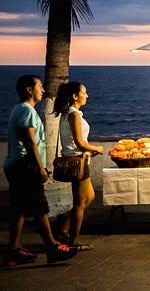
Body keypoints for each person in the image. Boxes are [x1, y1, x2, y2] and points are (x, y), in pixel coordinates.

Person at [3, 75, 78, 266]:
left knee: (19, 209)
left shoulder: (19, 109)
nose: (43, 90)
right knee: (40, 207)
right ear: (29, 89)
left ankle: (13, 249)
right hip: (25, 166)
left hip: (16, 165)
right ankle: (52, 247)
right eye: (40, 86)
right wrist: (40, 167)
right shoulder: (26, 111)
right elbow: (30, 142)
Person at [53, 82, 104, 251]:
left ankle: (63, 229)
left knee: (88, 198)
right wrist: (97, 148)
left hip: (79, 158)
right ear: (75, 96)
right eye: (84, 92)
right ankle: (73, 241)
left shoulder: (69, 113)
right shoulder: (73, 114)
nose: (87, 95)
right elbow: (80, 142)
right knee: (81, 202)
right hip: (77, 160)